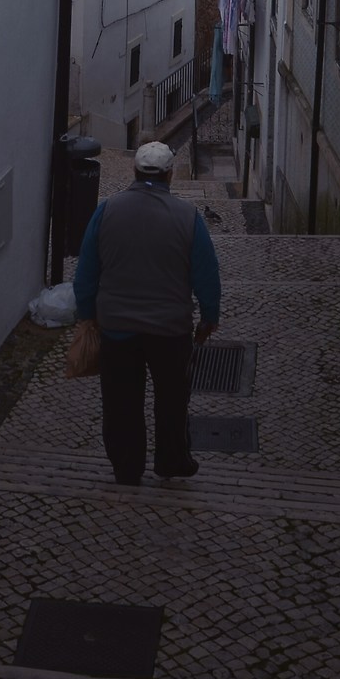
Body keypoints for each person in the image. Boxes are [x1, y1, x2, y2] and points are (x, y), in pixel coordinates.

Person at [71, 140, 222, 486]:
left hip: (117, 328)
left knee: (121, 401)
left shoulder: (106, 211)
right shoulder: (188, 218)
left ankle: (127, 466)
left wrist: (87, 315)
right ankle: (171, 460)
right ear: (169, 175)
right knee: (172, 401)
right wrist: (209, 317)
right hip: (170, 331)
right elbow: (206, 274)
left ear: (134, 171)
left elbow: (86, 273)